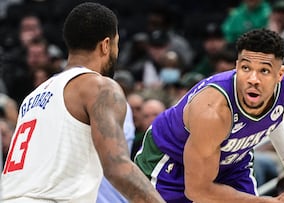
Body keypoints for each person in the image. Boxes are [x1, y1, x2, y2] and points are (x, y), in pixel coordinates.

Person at [135, 28, 284, 202]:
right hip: (171, 164)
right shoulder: (213, 112)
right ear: (236, 66)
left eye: (264, 71)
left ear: (280, 75)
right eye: (245, 68)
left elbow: (274, 114)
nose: (253, 79)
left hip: (231, 163)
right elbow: (197, 191)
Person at [1, 2, 165, 203]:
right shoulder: (99, 87)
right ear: (106, 45)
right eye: (116, 44)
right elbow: (118, 167)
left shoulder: (32, 97)